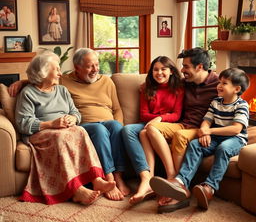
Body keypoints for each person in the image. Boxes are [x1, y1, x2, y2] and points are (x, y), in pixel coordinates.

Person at [9, 48, 130, 201]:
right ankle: (77, 190)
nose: (60, 73)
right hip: (43, 132)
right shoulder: (28, 93)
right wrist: (51, 124)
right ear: (44, 72)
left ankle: (97, 180)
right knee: (64, 137)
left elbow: (75, 113)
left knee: (81, 131)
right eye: (57, 69)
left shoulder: (62, 90)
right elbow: (23, 123)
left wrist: (73, 118)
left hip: (65, 129)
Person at [150, 67, 249, 212]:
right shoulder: (216, 102)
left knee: (224, 148)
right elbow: (207, 120)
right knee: (196, 144)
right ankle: (180, 182)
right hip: (216, 136)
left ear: (237, 89)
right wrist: (204, 131)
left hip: (235, 139)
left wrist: (209, 130)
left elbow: (236, 129)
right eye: (219, 82)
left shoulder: (241, 105)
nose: (219, 85)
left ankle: (209, 188)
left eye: (224, 83)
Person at [146, 47, 219, 212]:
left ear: (199, 67)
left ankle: (180, 187)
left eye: (186, 66)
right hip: (183, 124)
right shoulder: (185, 83)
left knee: (179, 136)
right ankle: (174, 181)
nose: (182, 70)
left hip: (201, 129)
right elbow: (162, 84)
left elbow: (231, 105)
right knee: (150, 128)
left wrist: (210, 131)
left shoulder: (218, 84)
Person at [122, 56, 184, 204]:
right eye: (156, 69)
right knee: (127, 130)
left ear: (171, 71)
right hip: (148, 123)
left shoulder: (179, 88)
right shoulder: (146, 88)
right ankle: (147, 177)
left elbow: (177, 114)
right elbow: (144, 114)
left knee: (144, 132)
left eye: (163, 69)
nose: (159, 73)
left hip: (168, 125)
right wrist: (158, 118)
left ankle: (161, 177)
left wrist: (160, 119)